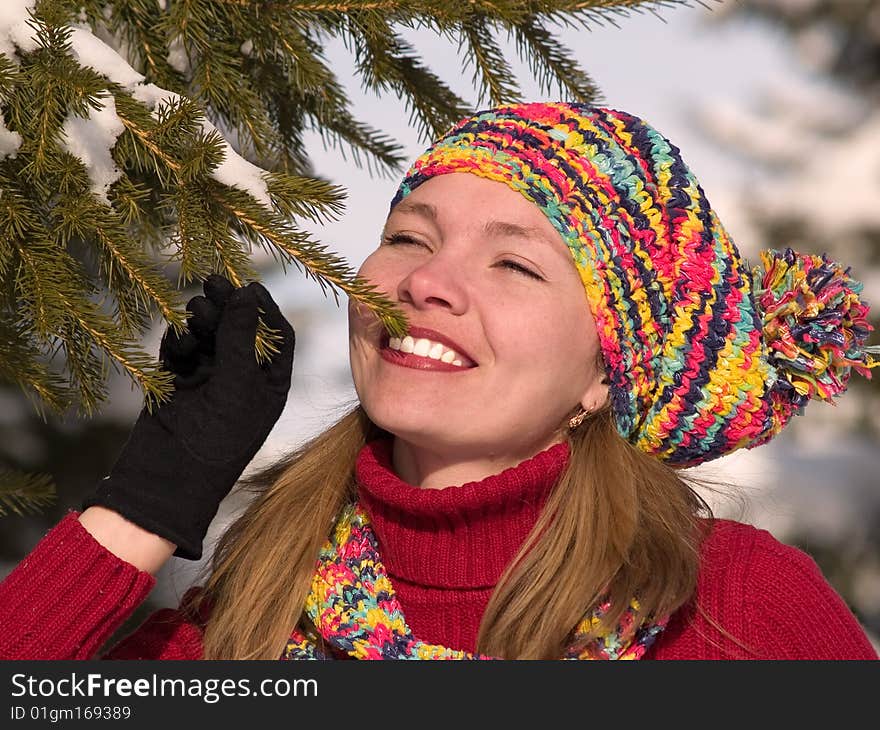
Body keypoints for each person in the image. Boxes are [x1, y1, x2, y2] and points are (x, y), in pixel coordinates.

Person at [1, 102, 878, 661]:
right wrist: (148, 501)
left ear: (608, 373)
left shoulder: (735, 610)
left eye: (514, 265)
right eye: (411, 237)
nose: (424, 283)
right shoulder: (249, 617)